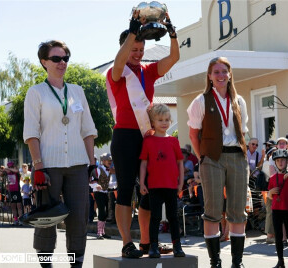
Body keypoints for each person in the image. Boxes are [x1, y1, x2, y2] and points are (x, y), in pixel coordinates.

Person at [106, 10, 179, 258]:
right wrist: (133, 29)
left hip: (146, 136)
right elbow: (119, 62)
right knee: (126, 189)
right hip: (125, 137)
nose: (137, 54)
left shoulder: (148, 71)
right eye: (133, 49)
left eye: (140, 49)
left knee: (149, 189)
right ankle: (127, 243)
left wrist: (172, 32)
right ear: (125, 48)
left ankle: (148, 242)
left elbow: (174, 58)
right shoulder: (116, 72)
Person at [23, 40, 97, 268]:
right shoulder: (36, 93)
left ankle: (76, 264)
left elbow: (87, 130)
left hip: (77, 164)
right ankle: (46, 265)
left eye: (65, 58)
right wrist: (38, 166)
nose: (62, 62)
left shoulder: (77, 91)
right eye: (56, 58)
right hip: (48, 166)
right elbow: (31, 133)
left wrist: (92, 164)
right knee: (47, 218)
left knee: (78, 219)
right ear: (44, 62)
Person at [187, 57, 249, 268]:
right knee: (212, 211)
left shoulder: (239, 101)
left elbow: (243, 132)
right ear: (210, 76)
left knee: (238, 210)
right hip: (212, 158)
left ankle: (237, 262)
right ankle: (215, 262)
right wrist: (201, 157)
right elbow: (193, 134)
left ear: (230, 74)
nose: (221, 76)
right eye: (216, 72)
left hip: (237, 156)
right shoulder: (200, 101)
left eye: (224, 71)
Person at [139, 104, 185, 258]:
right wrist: (142, 183)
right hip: (154, 186)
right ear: (153, 122)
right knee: (155, 217)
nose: (164, 123)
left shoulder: (173, 141)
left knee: (173, 217)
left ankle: (177, 246)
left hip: (171, 186)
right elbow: (144, 163)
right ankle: (153, 247)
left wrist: (180, 183)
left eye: (166, 119)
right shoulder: (148, 141)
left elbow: (180, 162)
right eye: (160, 120)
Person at [90, 153, 114, 240]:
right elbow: (91, 181)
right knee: (102, 212)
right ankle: (99, 232)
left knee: (106, 213)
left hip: (105, 193)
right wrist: (96, 185)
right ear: (103, 161)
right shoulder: (98, 169)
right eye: (109, 160)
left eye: (111, 160)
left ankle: (103, 232)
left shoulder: (108, 170)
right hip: (98, 193)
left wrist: (116, 184)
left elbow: (107, 184)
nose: (110, 162)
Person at [5, 162, 23, 226]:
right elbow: (0, 173)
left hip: (17, 190)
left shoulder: (16, 172)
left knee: (19, 206)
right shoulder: (8, 172)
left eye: (11, 167)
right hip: (11, 191)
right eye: (9, 167)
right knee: (13, 206)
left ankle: (20, 220)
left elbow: (16, 170)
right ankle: (15, 220)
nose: (9, 168)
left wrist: (9, 169)